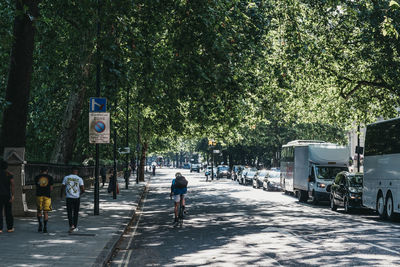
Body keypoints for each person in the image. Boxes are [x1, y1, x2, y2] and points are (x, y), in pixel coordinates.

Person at [61, 167, 85, 233]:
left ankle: (71, 225)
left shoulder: (66, 178)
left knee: (69, 212)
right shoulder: (79, 179)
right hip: (76, 198)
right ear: (77, 172)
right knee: (75, 212)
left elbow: (62, 186)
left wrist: (63, 193)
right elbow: (83, 189)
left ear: (71, 171)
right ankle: (75, 226)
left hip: (69, 197)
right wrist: (79, 194)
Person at [34, 166, 54, 233]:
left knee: (39, 210)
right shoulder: (50, 178)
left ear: (40, 170)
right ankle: (45, 227)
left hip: (39, 195)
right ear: (47, 170)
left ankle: (40, 225)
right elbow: (51, 188)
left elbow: (36, 186)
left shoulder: (37, 177)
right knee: (45, 212)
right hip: (47, 196)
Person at [0, 160, 14, 233]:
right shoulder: (9, 174)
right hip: (7, 195)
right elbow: (12, 185)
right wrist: (12, 195)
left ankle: (0, 228)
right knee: (8, 211)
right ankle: (10, 228)